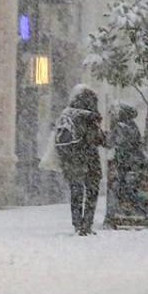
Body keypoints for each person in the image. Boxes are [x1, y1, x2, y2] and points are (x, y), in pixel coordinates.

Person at [54, 85, 105, 236]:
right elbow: (96, 139)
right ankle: (86, 224)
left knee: (76, 192)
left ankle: (77, 224)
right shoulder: (88, 117)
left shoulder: (67, 115)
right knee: (91, 192)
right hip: (88, 161)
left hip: (71, 161)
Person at [106, 103, 148, 229]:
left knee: (121, 191)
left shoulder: (120, 127)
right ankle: (142, 215)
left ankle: (112, 219)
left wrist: (105, 135)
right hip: (134, 165)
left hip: (126, 166)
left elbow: (111, 142)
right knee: (127, 191)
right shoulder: (132, 126)